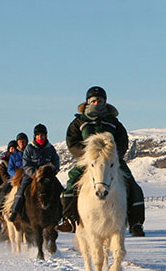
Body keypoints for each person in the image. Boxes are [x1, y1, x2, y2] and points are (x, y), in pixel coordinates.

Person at [59, 86, 146, 236]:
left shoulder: (113, 122)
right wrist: (88, 154)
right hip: (88, 162)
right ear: (87, 102)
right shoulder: (78, 122)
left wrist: (114, 155)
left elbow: (122, 141)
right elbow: (72, 142)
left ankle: (135, 223)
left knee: (133, 186)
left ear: (105, 103)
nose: (96, 103)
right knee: (71, 185)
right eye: (93, 100)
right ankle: (70, 220)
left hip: (111, 162)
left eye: (100, 101)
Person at [7, 124, 61, 222]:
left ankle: (63, 214)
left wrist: (54, 170)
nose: (40, 137)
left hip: (47, 175)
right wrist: (34, 173)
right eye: (38, 135)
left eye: (42, 135)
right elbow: (26, 163)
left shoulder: (50, 148)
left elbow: (55, 160)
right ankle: (14, 211)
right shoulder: (29, 148)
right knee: (21, 190)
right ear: (35, 136)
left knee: (60, 189)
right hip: (31, 175)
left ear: (46, 136)